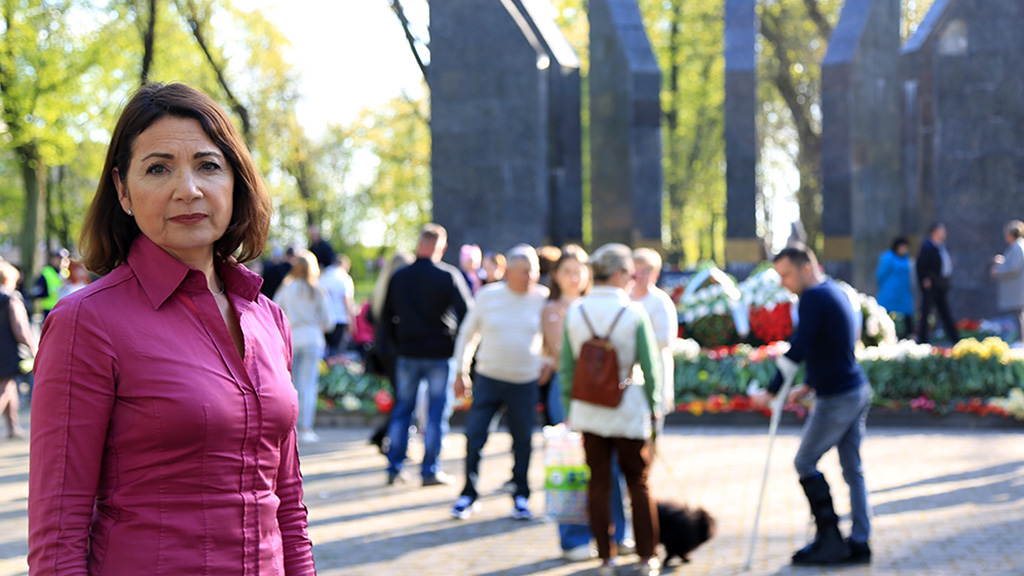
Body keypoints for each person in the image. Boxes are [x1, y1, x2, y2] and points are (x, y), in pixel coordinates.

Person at [27, 82, 316, 575]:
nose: (189, 189)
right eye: (158, 168)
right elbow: (59, 533)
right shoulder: (87, 324)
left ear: (234, 183)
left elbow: (286, 500)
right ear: (123, 190)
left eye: (208, 165)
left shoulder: (268, 317)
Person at [751, 244, 872, 565]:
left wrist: (772, 391)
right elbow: (831, 346)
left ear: (807, 268)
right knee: (853, 469)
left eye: (787, 275)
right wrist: (808, 385)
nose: (783, 283)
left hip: (838, 397)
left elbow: (800, 347)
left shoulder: (814, 298)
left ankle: (830, 539)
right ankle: (859, 542)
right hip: (854, 388)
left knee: (805, 462)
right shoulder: (833, 292)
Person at [561, 243, 663, 576]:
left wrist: (569, 409)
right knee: (638, 482)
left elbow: (567, 368)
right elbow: (650, 369)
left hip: (588, 411)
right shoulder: (634, 313)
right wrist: (654, 409)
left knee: (598, 483)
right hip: (627, 409)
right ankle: (647, 557)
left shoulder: (575, 311)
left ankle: (606, 558)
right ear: (619, 273)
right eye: (630, 273)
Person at [449, 246, 549, 520]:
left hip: (525, 382)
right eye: (524, 271)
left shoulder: (543, 298)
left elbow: (555, 337)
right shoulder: (488, 296)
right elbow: (467, 335)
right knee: (475, 435)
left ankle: (521, 496)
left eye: (534, 271)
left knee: (523, 441)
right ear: (509, 272)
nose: (530, 276)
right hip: (490, 379)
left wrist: (548, 363)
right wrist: (461, 371)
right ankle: (468, 494)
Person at [382, 224, 472, 486]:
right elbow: (468, 313)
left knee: (403, 409)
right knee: (435, 413)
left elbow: (385, 316)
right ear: (441, 247)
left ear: (419, 244)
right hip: (439, 353)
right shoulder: (447, 275)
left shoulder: (400, 276)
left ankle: (394, 467)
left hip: (409, 352)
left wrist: (399, 341)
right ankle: (430, 470)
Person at [275, 249, 335, 444]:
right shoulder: (317, 290)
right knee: (308, 385)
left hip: (291, 337)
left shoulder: (286, 288)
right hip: (311, 338)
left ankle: (288, 426)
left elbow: (275, 312)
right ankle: (306, 427)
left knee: (289, 384)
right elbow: (330, 321)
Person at [365, 251, 414, 453]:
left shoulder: (381, 288)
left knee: (401, 396)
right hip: (397, 349)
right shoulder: (401, 288)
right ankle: (386, 436)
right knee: (405, 398)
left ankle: (386, 435)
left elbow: (370, 317)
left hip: (382, 348)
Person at [631, 247, 679, 417]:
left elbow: (665, 339)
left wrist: (633, 343)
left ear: (654, 274)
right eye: (635, 271)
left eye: (644, 271)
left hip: (655, 367)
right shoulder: (624, 297)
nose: (639, 276)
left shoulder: (661, 301)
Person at [0, 261, 34, 440]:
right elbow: (20, 328)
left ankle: (13, 427)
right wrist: (33, 347)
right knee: (4, 389)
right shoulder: (11, 299)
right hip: (8, 352)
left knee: (11, 387)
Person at [916, 223, 959, 344]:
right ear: (935, 232)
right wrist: (924, 279)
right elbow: (921, 265)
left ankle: (954, 337)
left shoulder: (940, 246)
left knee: (944, 312)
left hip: (941, 284)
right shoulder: (928, 246)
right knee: (926, 312)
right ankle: (922, 339)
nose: (944, 233)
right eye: (942, 231)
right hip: (932, 285)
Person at [875, 236, 915, 339]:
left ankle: (909, 335)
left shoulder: (905, 258)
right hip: (890, 291)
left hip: (904, 292)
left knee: (907, 313)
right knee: (885, 312)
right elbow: (881, 274)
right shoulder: (888, 258)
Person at [991, 220, 1024, 344]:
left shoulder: (1017, 247)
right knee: (1018, 314)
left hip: (1017, 288)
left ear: (1011, 234)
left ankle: (1021, 340)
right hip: (1017, 287)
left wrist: (998, 270)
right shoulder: (1019, 246)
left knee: (1017, 315)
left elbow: (1014, 267)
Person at [321, 253, 356, 357]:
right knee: (336, 352)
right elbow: (347, 301)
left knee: (325, 351)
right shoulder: (344, 278)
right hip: (340, 318)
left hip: (324, 318)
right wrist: (352, 321)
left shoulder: (323, 276)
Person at [32, 248, 69, 320]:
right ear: (53, 259)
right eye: (60, 259)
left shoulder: (66, 273)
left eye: (65, 259)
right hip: (49, 310)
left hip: (65, 309)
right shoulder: (46, 272)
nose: (63, 262)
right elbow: (36, 291)